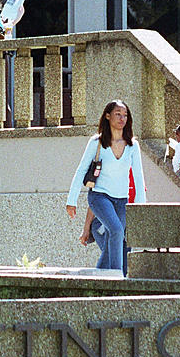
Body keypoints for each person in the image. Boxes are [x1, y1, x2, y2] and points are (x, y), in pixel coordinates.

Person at [66, 100, 147, 274]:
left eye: (125, 115)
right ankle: (117, 277)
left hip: (122, 200)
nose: (122, 118)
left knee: (116, 237)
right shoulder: (96, 142)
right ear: (108, 116)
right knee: (116, 230)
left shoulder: (132, 145)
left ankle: (100, 276)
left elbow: (139, 177)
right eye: (118, 114)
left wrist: (141, 206)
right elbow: (81, 171)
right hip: (99, 197)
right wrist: (71, 200)